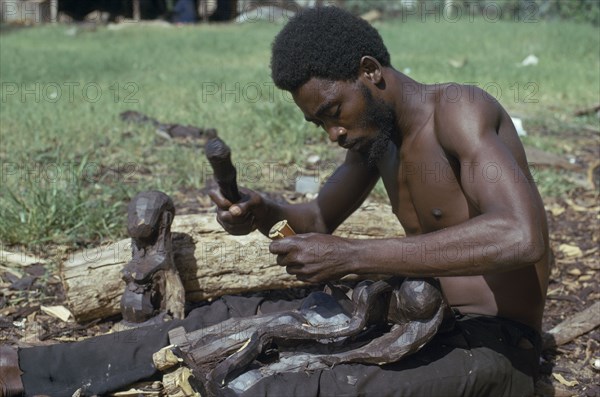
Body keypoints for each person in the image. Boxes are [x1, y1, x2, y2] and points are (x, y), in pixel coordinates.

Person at [1, 6, 550, 397]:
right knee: (219, 322)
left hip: (494, 346)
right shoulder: (375, 138)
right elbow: (314, 218)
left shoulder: (458, 111)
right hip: (409, 317)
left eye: (334, 113)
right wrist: (263, 212)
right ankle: (27, 369)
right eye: (319, 124)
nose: (332, 135)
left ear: (369, 72)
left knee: (274, 385)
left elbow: (520, 236)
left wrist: (355, 256)